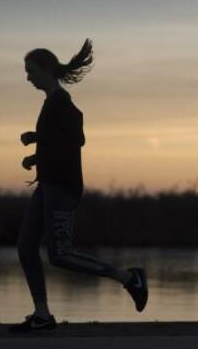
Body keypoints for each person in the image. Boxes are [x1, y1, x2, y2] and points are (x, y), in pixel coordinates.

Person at [9, 39, 148, 333]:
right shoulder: (51, 102)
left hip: (62, 188)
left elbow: (76, 139)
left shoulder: (61, 101)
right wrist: (37, 151)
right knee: (25, 248)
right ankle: (42, 315)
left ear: (45, 69)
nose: (28, 77)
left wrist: (39, 139)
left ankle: (129, 278)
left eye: (31, 71)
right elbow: (60, 143)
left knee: (60, 255)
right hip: (47, 186)